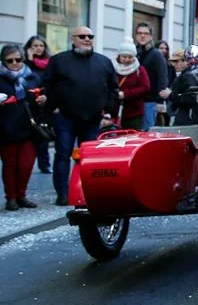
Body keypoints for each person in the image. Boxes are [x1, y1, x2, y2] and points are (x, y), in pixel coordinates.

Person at [42, 27, 117, 205]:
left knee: (89, 157)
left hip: (92, 118)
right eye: (82, 36)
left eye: (90, 36)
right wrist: (53, 108)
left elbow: (112, 88)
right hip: (65, 117)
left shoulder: (104, 62)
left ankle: (86, 191)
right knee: (63, 154)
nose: (86, 39)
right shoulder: (59, 60)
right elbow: (47, 85)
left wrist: (108, 111)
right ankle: (62, 193)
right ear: (73, 39)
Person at [0, 44, 48, 210]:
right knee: (10, 165)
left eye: (18, 59)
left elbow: (41, 96)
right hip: (6, 127)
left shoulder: (32, 77)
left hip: (29, 127)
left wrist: (42, 100)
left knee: (26, 165)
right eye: (10, 60)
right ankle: (11, 198)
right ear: (3, 61)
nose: (14, 63)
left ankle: (22, 195)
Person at [23, 35, 52, 173]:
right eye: (35, 46)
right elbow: (25, 78)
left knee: (43, 135)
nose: (39, 48)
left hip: (43, 103)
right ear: (29, 47)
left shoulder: (49, 63)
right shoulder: (23, 63)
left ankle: (44, 164)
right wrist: (29, 60)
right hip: (28, 104)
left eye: (41, 46)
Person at [134, 23, 168, 131]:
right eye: (139, 33)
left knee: (147, 132)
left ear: (151, 36)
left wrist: (160, 101)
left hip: (150, 102)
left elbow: (162, 78)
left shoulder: (156, 55)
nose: (142, 36)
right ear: (136, 35)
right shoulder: (133, 53)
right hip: (133, 102)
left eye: (145, 33)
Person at [112, 39, 151, 130]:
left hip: (134, 113)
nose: (127, 60)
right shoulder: (112, 69)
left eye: (130, 57)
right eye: (124, 57)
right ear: (119, 56)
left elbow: (145, 87)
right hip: (115, 112)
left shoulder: (139, 70)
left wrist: (125, 94)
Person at [168, 50, 198, 126]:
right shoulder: (188, 74)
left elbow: (191, 98)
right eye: (173, 62)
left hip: (189, 118)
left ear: (186, 61)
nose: (174, 65)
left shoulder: (189, 76)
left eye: (176, 61)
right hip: (191, 116)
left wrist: (170, 95)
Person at [156, 40, 174, 126]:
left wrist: (169, 89)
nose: (164, 50)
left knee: (166, 121)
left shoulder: (170, 64)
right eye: (161, 48)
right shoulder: (154, 62)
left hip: (167, 97)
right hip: (156, 97)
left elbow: (173, 79)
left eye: (165, 48)